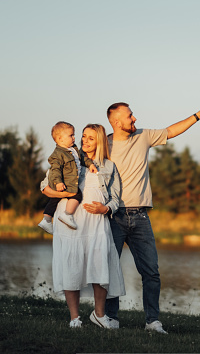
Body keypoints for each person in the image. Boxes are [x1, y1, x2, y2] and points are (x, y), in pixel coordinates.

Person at [105, 101, 200, 333]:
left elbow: (171, 131)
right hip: (113, 217)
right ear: (116, 122)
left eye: (133, 115)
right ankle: (110, 318)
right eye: (129, 116)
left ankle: (152, 321)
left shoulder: (143, 136)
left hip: (141, 217)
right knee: (110, 269)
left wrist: (197, 116)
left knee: (151, 273)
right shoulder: (104, 145)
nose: (134, 119)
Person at [42, 124, 124, 329]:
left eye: (90, 138)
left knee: (99, 264)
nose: (84, 141)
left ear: (100, 142)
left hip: (96, 223)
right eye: (83, 137)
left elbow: (115, 199)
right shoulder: (67, 157)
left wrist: (105, 209)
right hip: (69, 222)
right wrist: (64, 194)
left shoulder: (109, 166)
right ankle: (74, 318)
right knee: (72, 265)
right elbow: (45, 186)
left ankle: (99, 315)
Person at [38, 121, 97, 234]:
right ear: (60, 139)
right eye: (71, 135)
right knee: (77, 195)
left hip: (65, 182)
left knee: (54, 200)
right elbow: (55, 170)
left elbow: (82, 159)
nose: (74, 138)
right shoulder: (58, 154)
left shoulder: (74, 149)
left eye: (74, 134)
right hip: (65, 182)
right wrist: (58, 183)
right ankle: (67, 214)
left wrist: (91, 164)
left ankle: (46, 220)